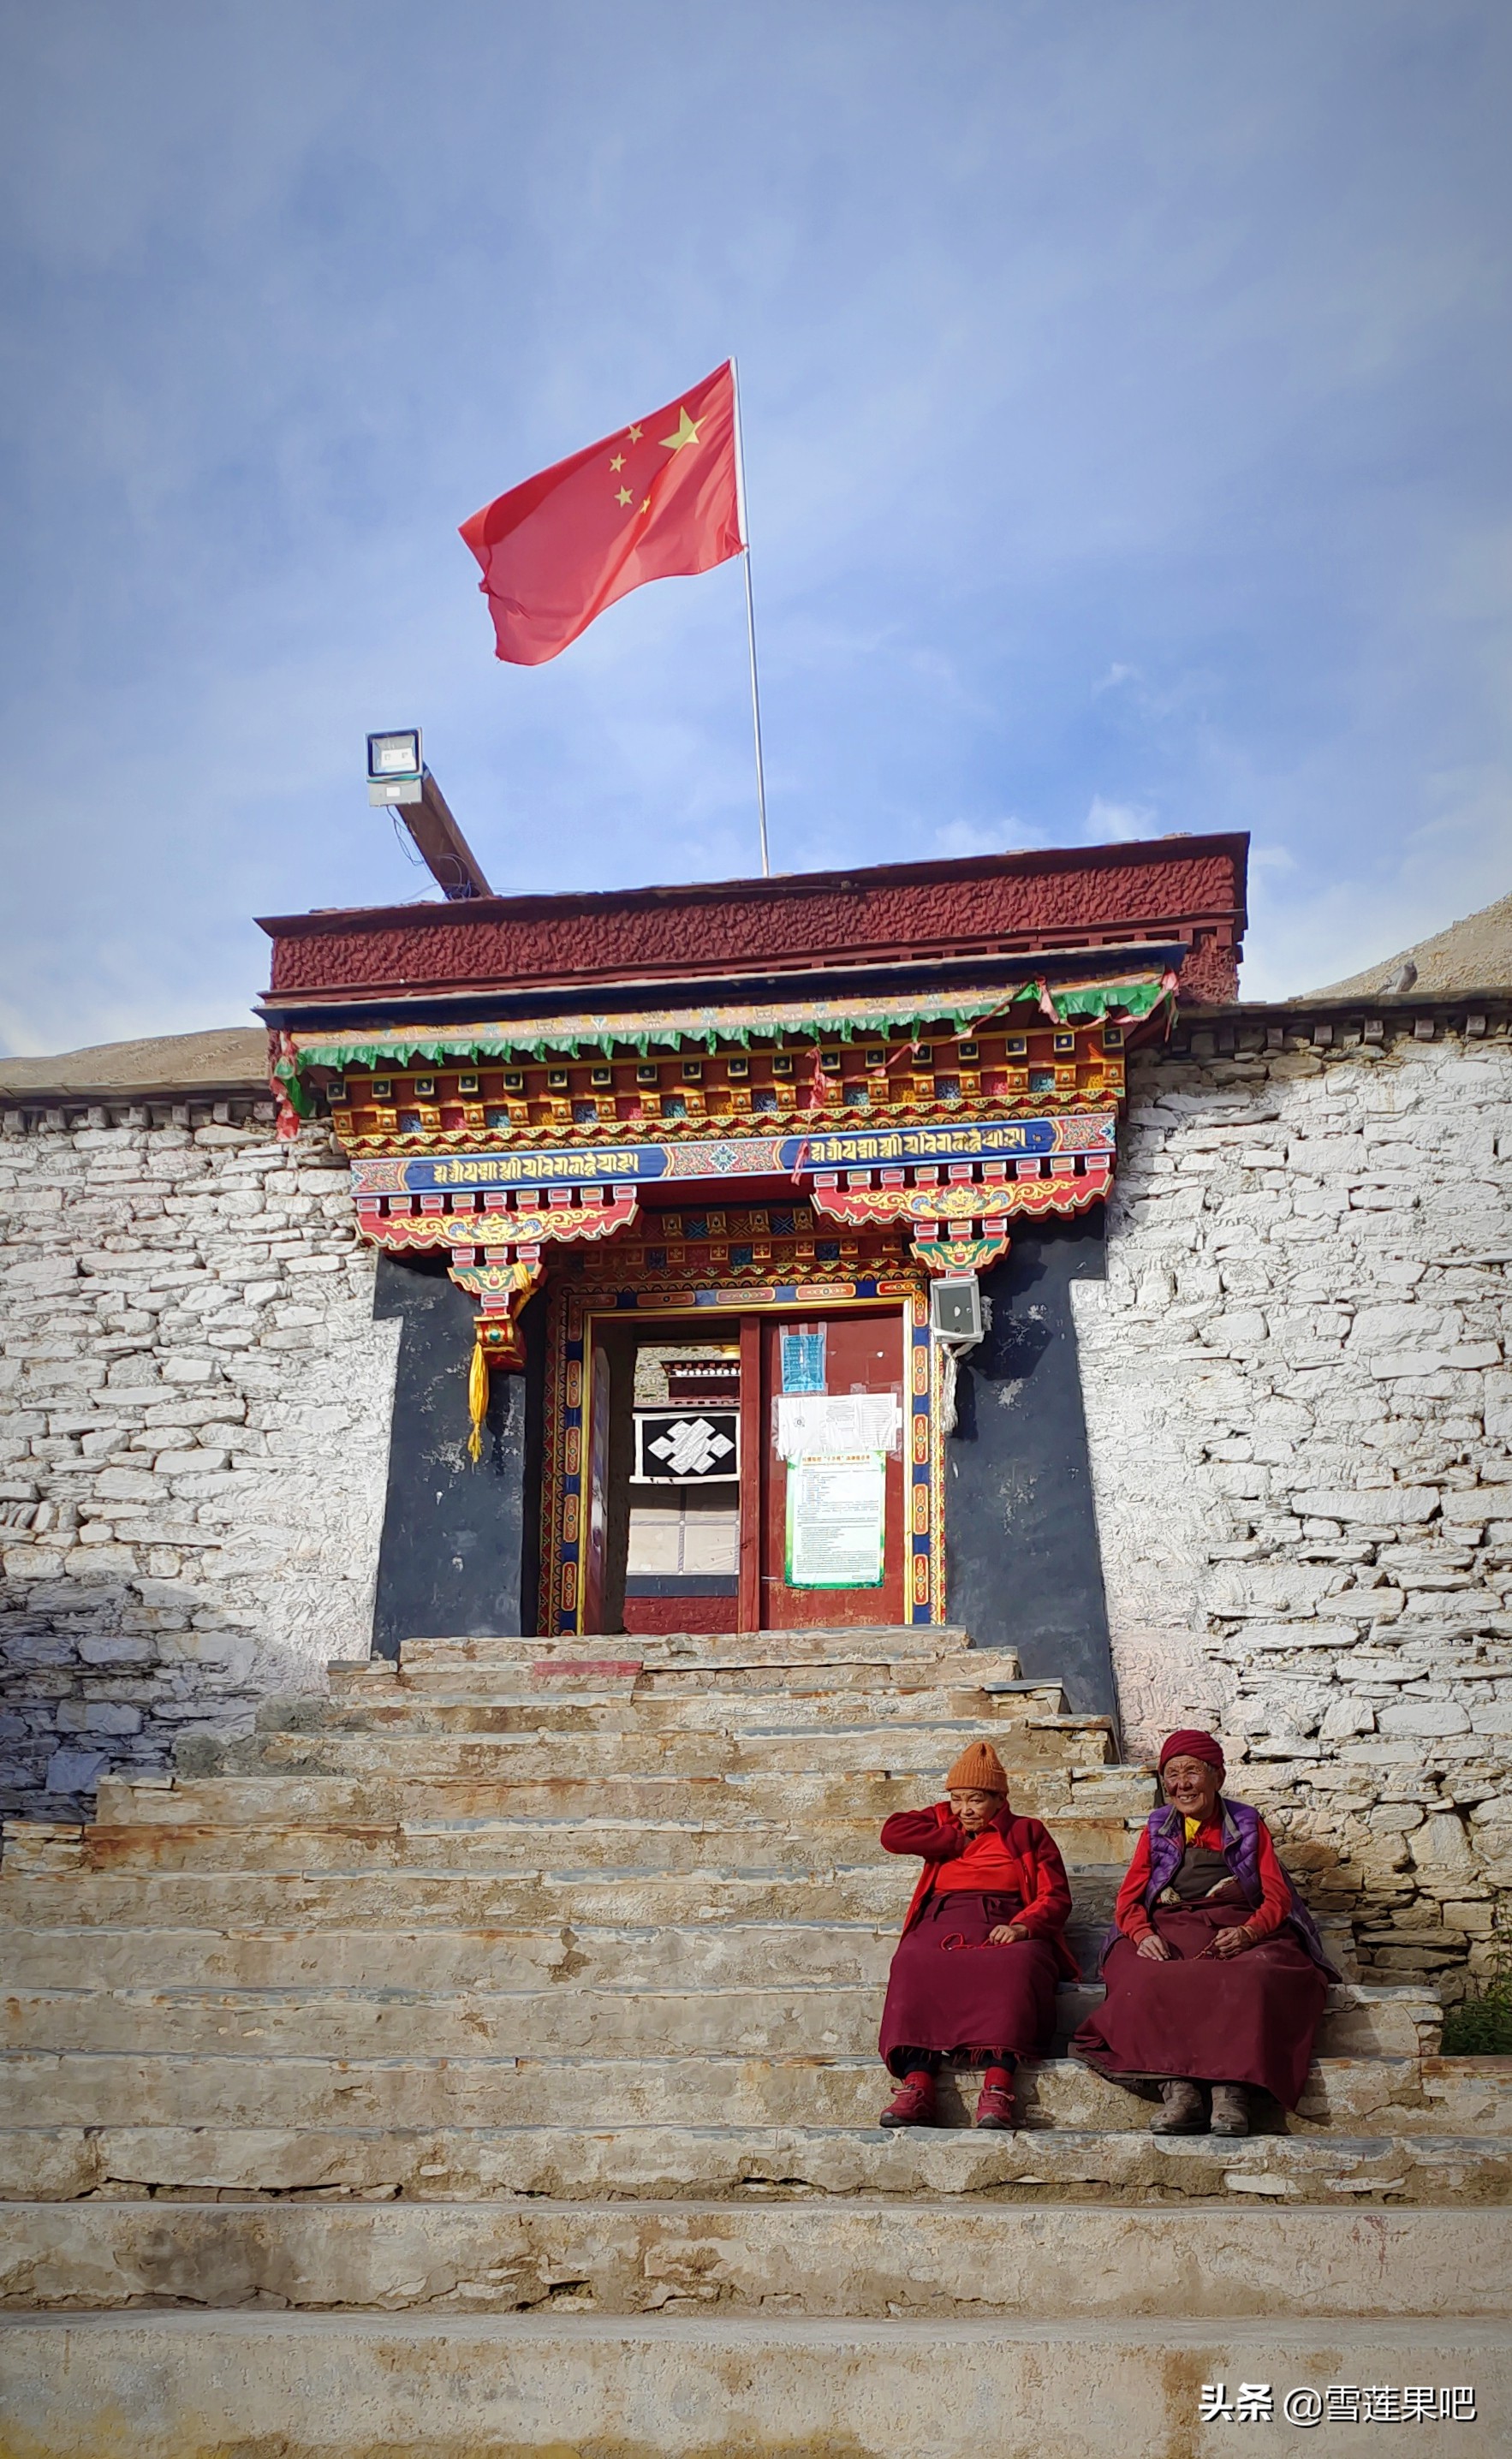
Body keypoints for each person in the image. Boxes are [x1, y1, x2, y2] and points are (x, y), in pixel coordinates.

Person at [1069, 1729, 1337, 2136]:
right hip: (1171, 1923)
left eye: (1192, 1772)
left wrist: (1250, 1933)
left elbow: (1277, 1896)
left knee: (1257, 1975)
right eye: (1172, 1775)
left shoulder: (1246, 1822)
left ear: (1218, 1777)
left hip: (1239, 1923)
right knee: (1142, 1975)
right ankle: (1181, 2092)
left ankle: (1232, 2092)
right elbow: (1129, 1899)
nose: (1181, 1785)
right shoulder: (1159, 1826)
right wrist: (1142, 1935)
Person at [876, 1739, 1079, 2129]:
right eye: (957, 1799)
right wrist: (951, 1838)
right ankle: (918, 2084)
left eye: (975, 1800)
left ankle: (998, 2085)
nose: (964, 1809)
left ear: (999, 1799)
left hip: (1005, 1919)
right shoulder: (944, 1821)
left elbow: (1055, 1895)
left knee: (1018, 1965)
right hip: (943, 1918)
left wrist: (1023, 1926)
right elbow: (893, 1834)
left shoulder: (1027, 1831)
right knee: (913, 1959)